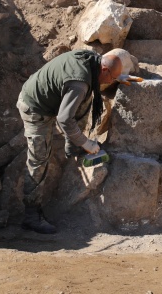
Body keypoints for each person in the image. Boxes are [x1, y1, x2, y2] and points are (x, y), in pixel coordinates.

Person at [16, 50, 123, 234]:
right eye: (111, 78)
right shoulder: (79, 83)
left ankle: (72, 146)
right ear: (104, 69)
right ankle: (31, 216)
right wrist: (86, 143)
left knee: (85, 99)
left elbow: (74, 105)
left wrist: (120, 76)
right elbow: (64, 119)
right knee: (39, 158)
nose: (110, 82)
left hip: (50, 97)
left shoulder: (92, 61)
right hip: (34, 105)